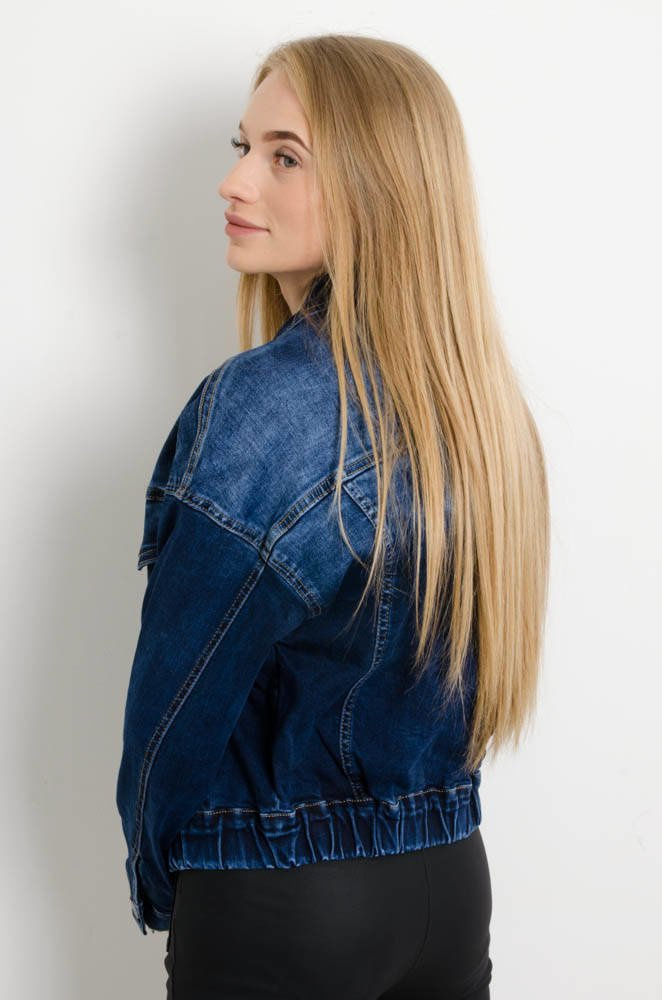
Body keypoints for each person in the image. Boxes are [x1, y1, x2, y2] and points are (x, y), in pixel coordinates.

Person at [115, 32, 550, 999]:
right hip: (448, 885)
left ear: (378, 187)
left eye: (285, 157)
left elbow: (174, 709)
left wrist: (165, 880)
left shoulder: (261, 408)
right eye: (244, 146)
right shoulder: (482, 412)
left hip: (283, 897)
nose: (233, 182)